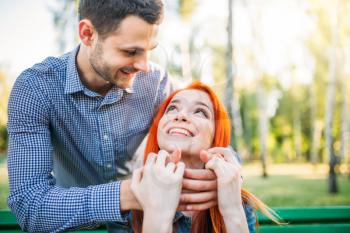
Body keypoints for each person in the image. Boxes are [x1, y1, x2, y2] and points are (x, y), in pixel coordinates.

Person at [7, 1, 220, 232]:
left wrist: (225, 170)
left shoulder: (156, 83)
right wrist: (131, 193)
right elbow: (30, 205)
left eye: (149, 50)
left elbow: (208, 128)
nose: (144, 66)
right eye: (130, 51)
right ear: (88, 34)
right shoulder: (36, 89)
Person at [130, 81, 280, 233]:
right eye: (172, 108)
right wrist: (157, 214)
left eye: (200, 112)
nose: (180, 115)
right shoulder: (131, 204)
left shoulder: (238, 200)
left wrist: (232, 209)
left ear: (216, 136)